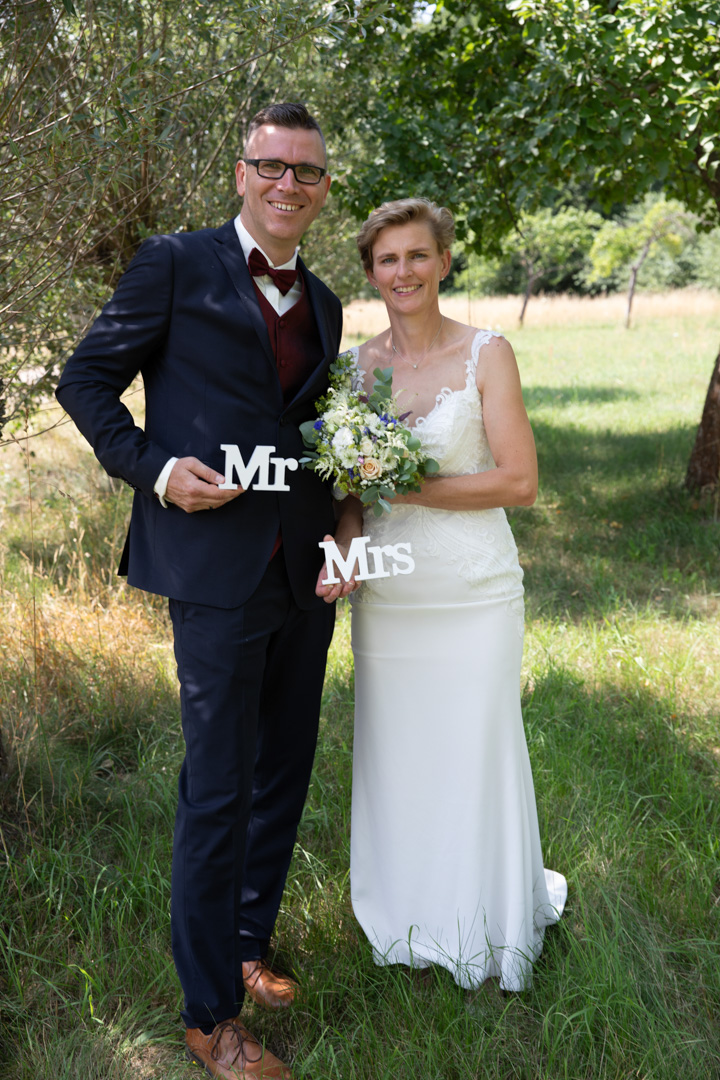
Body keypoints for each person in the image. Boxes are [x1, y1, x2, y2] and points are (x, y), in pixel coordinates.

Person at [56, 102, 357, 1080]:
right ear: (241, 173)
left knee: (286, 767)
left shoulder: (326, 304)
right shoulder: (174, 264)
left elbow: (315, 438)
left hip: (304, 569)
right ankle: (207, 1017)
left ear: (323, 189)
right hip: (212, 571)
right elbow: (85, 381)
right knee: (219, 786)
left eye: (306, 171)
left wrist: (343, 534)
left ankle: (248, 941)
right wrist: (154, 471)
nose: (287, 184)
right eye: (272, 165)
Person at [347, 198, 567, 992]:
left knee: (475, 749)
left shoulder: (487, 353)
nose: (403, 271)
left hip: (473, 591)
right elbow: (346, 490)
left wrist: (407, 483)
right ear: (371, 273)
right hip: (388, 595)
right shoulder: (355, 368)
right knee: (398, 754)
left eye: (417, 255)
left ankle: (487, 923)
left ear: (444, 261)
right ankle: (408, 916)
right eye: (387, 259)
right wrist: (345, 546)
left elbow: (520, 481)